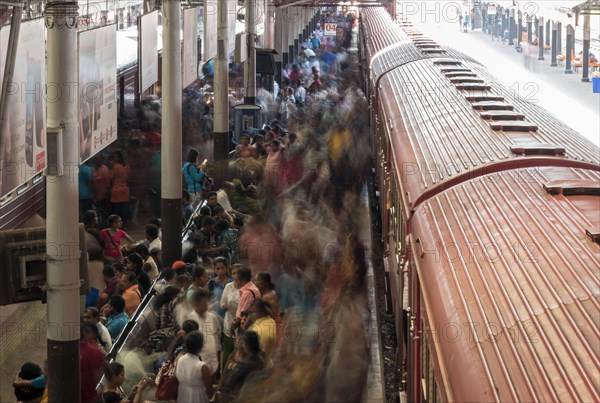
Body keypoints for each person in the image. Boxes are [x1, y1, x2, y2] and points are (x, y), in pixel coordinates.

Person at [216, 330, 264, 402]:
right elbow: (225, 372)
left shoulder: (245, 364)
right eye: (238, 340)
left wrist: (223, 393)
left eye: (242, 342)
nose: (239, 343)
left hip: (239, 395)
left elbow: (231, 382)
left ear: (247, 345)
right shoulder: (260, 358)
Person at [186, 289, 222, 377]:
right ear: (196, 303)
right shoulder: (189, 319)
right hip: (198, 361)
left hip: (213, 358)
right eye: (204, 302)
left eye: (207, 302)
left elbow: (217, 336)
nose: (207, 305)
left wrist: (218, 354)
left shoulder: (213, 317)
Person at [175, 331, 213, 403]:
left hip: (182, 394)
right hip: (197, 397)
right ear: (200, 347)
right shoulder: (202, 366)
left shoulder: (180, 359)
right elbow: (209, 388)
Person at [109, 150, 131, 228]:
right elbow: (128, 178)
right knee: (124, 210)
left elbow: (111, 177)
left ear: (118, 157)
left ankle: (116, 226)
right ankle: (124, 225)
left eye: (115, 157)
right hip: (124, 191)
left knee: (116, 211)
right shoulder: (127, 166)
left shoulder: (115, 166)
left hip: (116, 191)